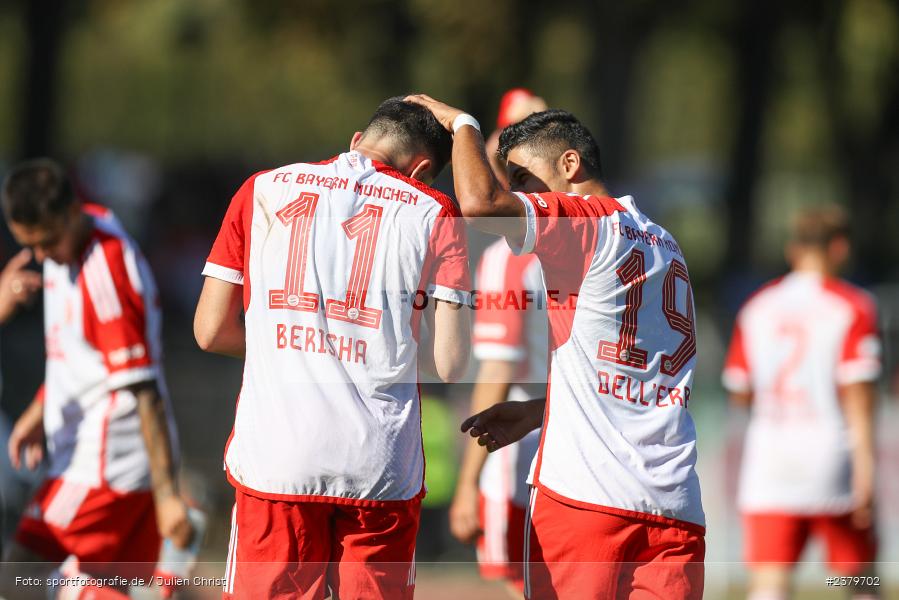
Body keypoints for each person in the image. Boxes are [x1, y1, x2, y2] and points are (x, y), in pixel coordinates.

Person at [407, 94, 705, 599]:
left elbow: (479, 204)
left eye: (523, 178)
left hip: (586, 499)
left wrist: (463, 124)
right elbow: (639, 379)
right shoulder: (663, 241)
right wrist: (541, 411)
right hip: (674, 504)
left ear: (569, 164)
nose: (517, 193)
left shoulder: (583, 222)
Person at [193, 96, 472, 600]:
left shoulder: (263, 188)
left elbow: (211, 331)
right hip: (378, 466)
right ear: (421, 170)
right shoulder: (435, 211)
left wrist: (294, 348)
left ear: (356, 141)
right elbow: (450, 363)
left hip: (278, 457)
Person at [0, 159, 192, 600]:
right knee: (106, 583)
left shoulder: (105, 274)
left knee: (18, 576)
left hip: (104, 463)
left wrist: (168, 496)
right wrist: (40, 410)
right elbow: (81, 357)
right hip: (95, 455)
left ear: (71, 212)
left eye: (47, 242)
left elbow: (144, 391)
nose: (42, 256)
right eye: (30, 245)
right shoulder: (69, 240)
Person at [722, 206, 880, 600]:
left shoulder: (757, 306)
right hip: (832, 457)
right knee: (857, 579)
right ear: (840, 248)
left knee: (770, 582)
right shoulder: (852, 305)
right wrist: (866, 472)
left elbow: (740, 389)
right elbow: (858, 396)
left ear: (793, 250)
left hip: (770, 461)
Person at [449, 88, 548, 598]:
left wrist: (468, 481)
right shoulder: (609, 231)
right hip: (585, 441)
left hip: (521, 451)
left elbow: (498, 370)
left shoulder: (511, 257)